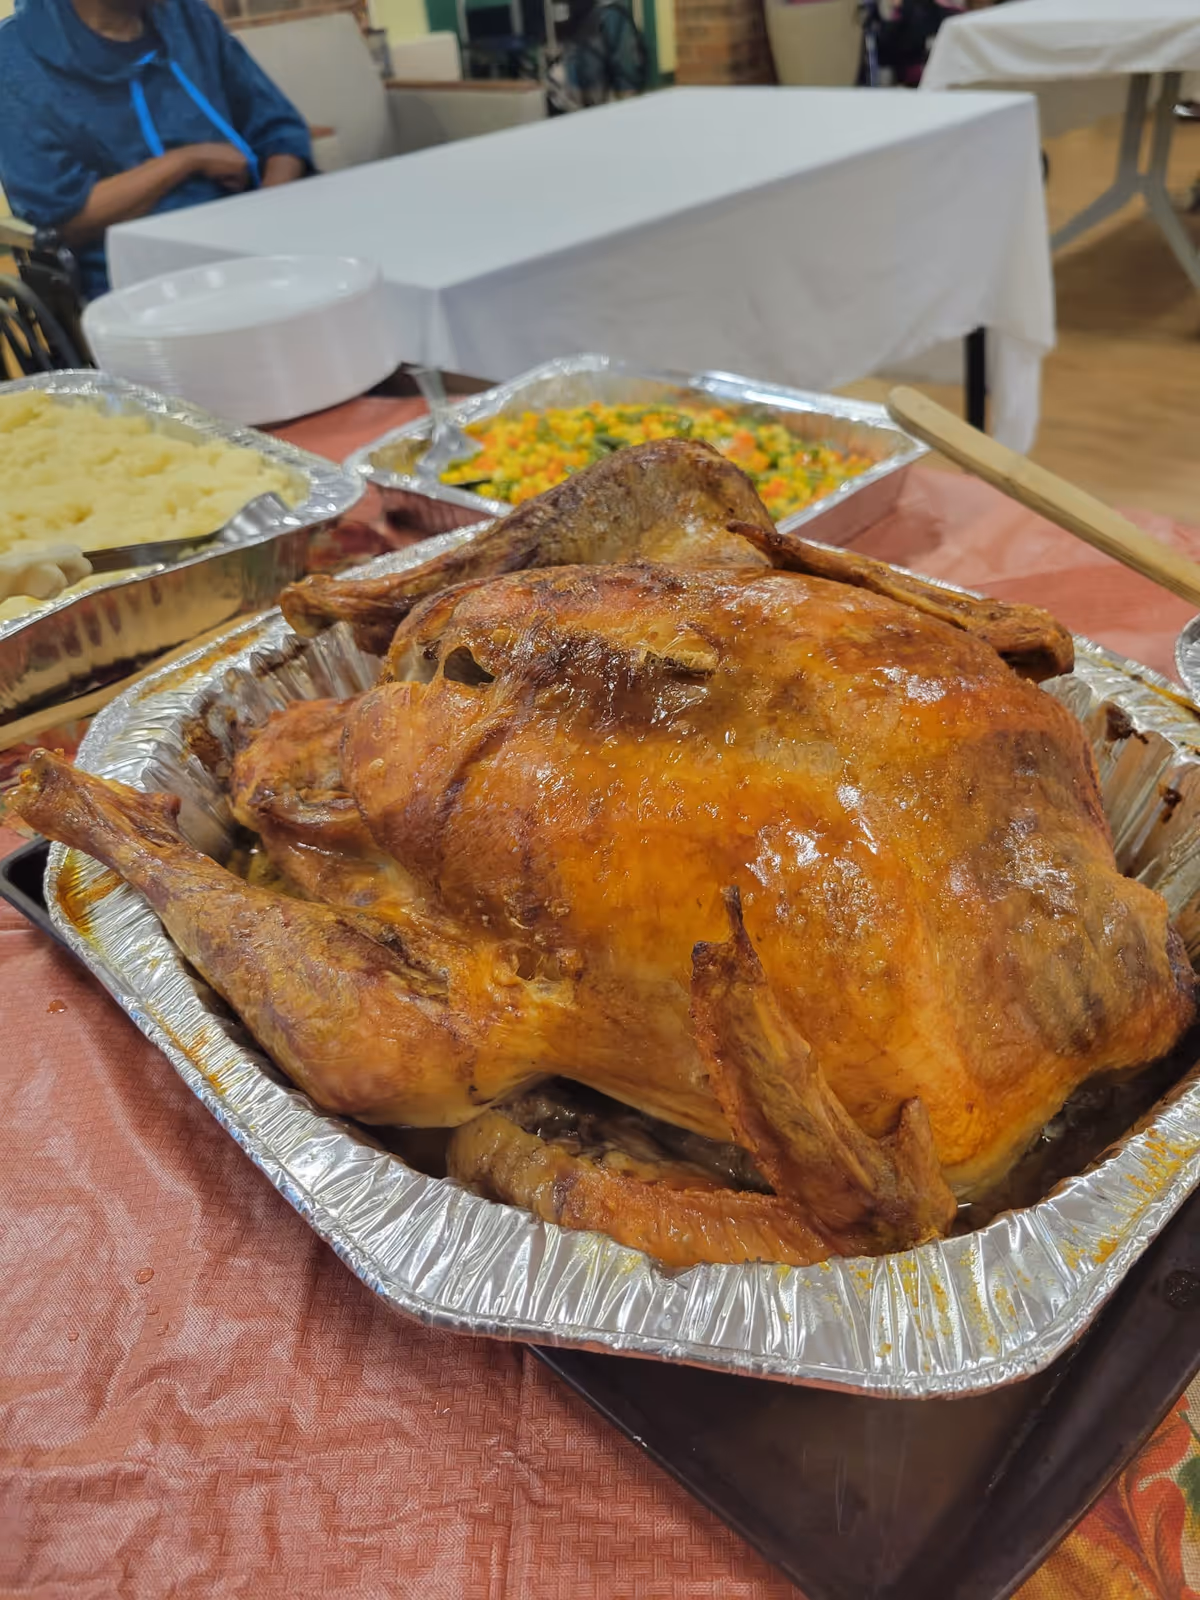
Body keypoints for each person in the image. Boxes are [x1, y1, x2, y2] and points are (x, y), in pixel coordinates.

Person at [0, 0, 313, 301]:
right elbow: (64, 217)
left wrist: (268, 217)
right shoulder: (16, 59)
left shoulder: (189, 19)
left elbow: (279, 130)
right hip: (140, 288)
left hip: (253, 253)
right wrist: (188, 160)